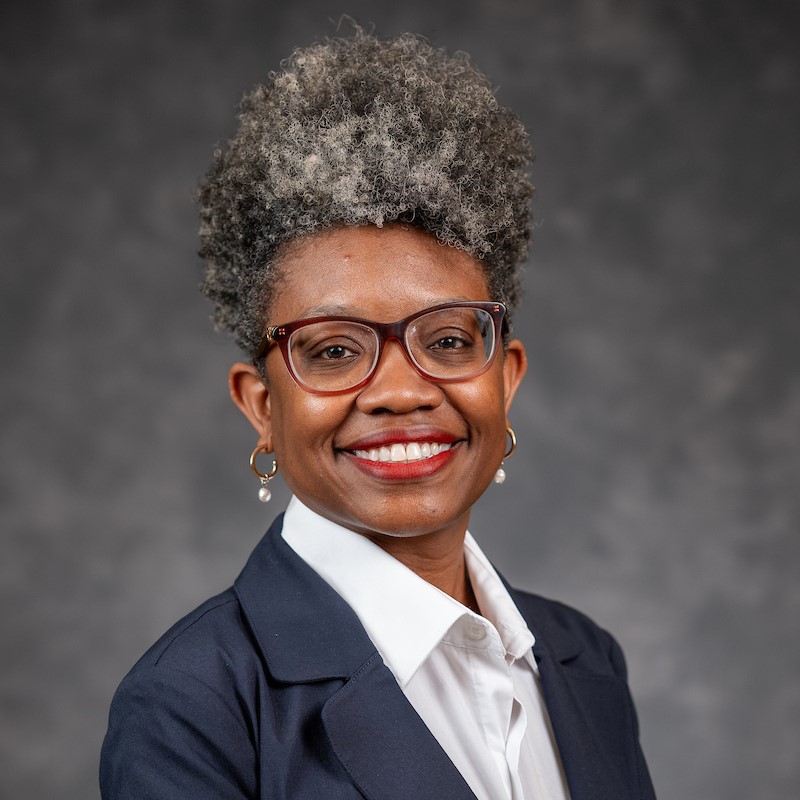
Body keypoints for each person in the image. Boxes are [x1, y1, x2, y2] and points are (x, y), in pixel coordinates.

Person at [100, 29, 656, 800]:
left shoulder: (584, 661)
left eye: (451, 339)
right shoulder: (194, 706)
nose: (400, 391)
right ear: (262, 406)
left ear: (506, 377)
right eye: (332, 351)